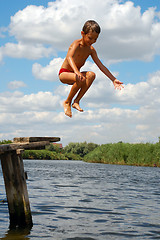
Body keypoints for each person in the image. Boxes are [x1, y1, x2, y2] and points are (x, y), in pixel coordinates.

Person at [59, 20, 124, 118]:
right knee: (81, 78)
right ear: (82, 34)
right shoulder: (76, 44)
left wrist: (113, 79)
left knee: (91, 75)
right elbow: (69, 57)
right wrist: (77, 72)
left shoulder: (91, 50)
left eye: (95, 39)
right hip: (65, 73)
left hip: (77, 76)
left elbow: (101, 66)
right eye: (90, 38)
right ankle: (67, 102)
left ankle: (76, 101)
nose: (92, 41)